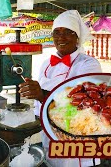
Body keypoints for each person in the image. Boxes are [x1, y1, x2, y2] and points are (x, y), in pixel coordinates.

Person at [18, 10, 102, 167]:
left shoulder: (88, 64)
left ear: (77, 37)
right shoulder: (47, 64)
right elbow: (39, 105)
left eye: (68, 32)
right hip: (50, 137)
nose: (61, 38)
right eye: (56, 32)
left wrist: (42, 95)